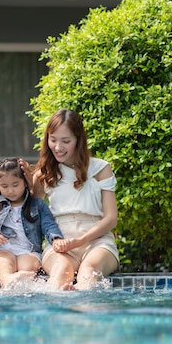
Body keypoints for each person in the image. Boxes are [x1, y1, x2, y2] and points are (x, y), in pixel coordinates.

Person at [32, 109, 119, 290]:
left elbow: (111, 219)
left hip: (98, 243)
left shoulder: (101, 169)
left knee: (89, 270)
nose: (58, 147)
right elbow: (33, 217)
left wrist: (79, 241)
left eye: (66, 141)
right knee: (61, 270)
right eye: (53, 139)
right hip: (59, 244)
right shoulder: (43, 174)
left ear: (78, 140)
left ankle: (82, 309)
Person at [0, 157, 64, 289]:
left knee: (28, 266)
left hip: (28, 250)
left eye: (15, 185)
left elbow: (48, 224)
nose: (10, 191)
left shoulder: (37, 205)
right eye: (5, 186)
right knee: (5, 263)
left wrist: (55, 238)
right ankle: (7, 280)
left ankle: (23, 285)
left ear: (25, 182)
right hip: (3, 250)